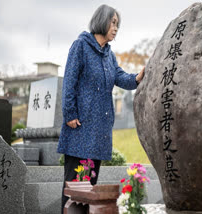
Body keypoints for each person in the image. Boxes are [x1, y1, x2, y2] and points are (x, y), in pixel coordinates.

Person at [57, 4, 145, 213]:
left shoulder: (108, 54)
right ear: (101, 21)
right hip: (80, 127)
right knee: (75, 186)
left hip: (98, 132)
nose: (115, 28)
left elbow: (120, 77)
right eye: (112, 22)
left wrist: (137, 78)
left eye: (117, 24)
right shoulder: (80, 46)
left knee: (89, 187)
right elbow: (69, 81)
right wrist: (69, 113)